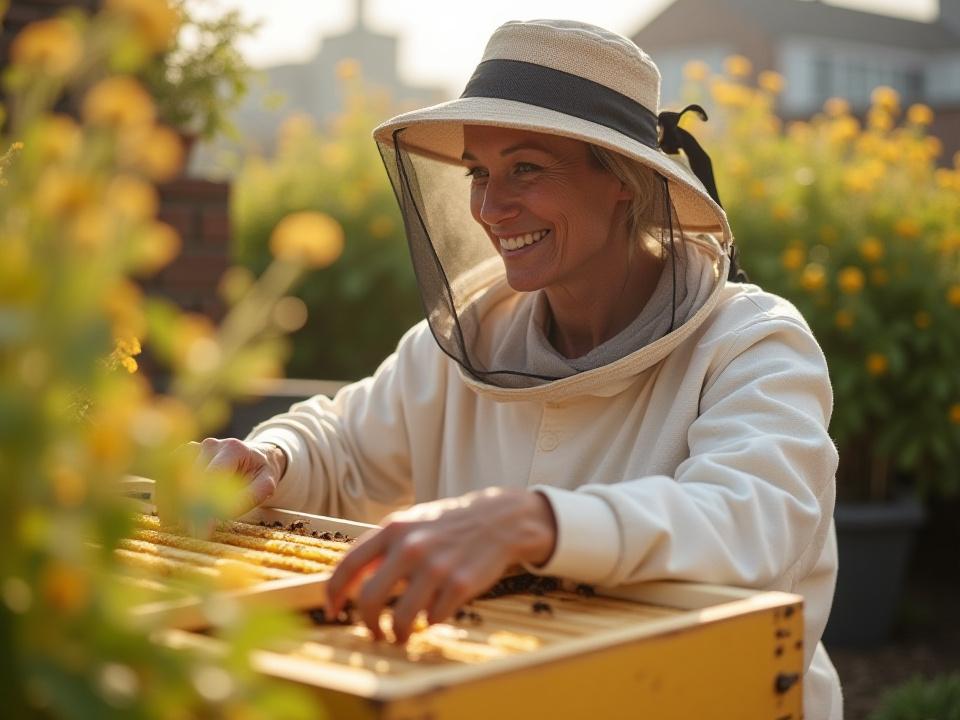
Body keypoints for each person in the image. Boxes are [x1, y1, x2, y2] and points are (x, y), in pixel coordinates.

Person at [192, 19, 842, 718]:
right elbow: (345, 444)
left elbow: (752, 523)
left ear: (621, 179)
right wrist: (268, 458)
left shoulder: (754, 344)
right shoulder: (468, 335)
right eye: (478, 172)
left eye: (526, 168)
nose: (489, 207)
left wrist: (527, 524)